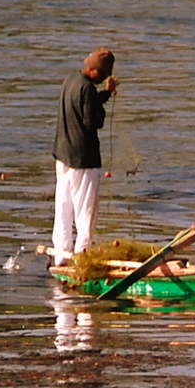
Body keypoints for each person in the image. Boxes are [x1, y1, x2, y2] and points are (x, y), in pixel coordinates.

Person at [51, 47, 119, 267]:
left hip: (63, 156)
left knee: (63, 210)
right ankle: (83, 260)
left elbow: (83, 106)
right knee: (85, 215)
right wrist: (102, 108)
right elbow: (93, 121)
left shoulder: (71, 79)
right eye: (103, 75)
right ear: (94, 70)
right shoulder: (88, 88)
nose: (103, 79)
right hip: (83, 160)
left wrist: (105, 94)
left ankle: (60, 258)